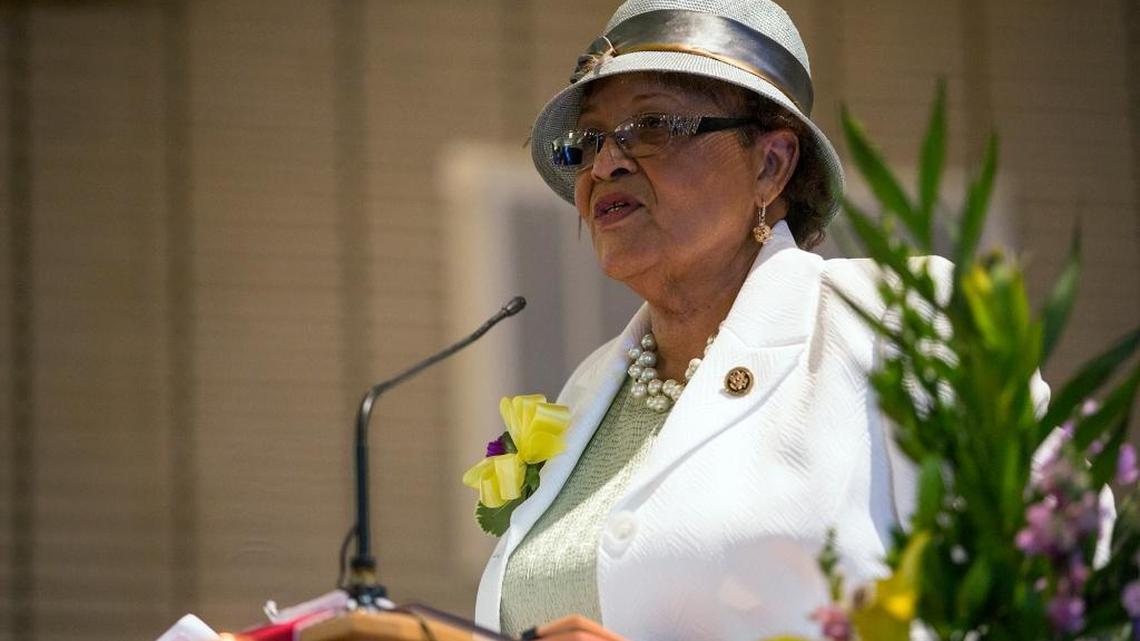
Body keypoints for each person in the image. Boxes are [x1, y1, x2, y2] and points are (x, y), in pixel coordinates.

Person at [473, 2, 1044, 640]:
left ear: (771, 165)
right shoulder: (585, 392)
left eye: (653, 123)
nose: (604, 164)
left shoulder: (893, 322)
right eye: (587, 140)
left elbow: (1044, 592)